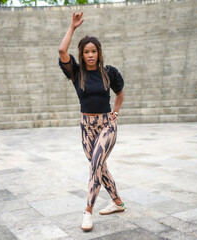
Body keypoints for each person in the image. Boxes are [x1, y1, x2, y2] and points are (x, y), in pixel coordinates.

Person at [58, 12, 126, 231]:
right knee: (100, 167)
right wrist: (72, 27)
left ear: (99, 53)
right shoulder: (76, 73)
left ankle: (88, 211)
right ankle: (117, 203)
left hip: (107, 125)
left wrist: (115, 111)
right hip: (86, 128)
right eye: (86, 51)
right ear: (82, 53)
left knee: (95, 166)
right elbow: (61, 51)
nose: (90, 55)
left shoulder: (108, 73)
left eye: (93, 51)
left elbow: (120, 93)